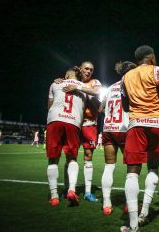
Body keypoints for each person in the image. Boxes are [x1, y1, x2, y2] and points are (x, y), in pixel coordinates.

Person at [120, 45, 159, 232]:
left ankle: (133, 224)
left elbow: (125, 106)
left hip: (136, 123)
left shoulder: (125, 77)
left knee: (132, 172)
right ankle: (144, 213)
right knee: (153, 167)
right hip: (158, 123)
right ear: (152, 57)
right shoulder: (157, 70)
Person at [45, 67, 88, 207]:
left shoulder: (55, 84)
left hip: (55, 120)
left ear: (66, 74)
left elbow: (49, 105)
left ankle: (54, 196)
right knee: (72, 158)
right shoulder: (83, 86)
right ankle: (71, 190)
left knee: (53, 159)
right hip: (73, 122)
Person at [99, 61, 136, 215]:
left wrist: (110, 117)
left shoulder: (110, 87)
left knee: (109, 166)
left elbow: (100, 109)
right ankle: (129, 205)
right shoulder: (131, 84)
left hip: (108, 129)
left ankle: (106, 204)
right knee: (132, 169)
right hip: (125, 129)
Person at [62, 61, 102, 202]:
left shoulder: (94, 82)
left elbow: (96, 92)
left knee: (88, 155)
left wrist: (78, 86)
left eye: (91, 69)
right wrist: (61, 81)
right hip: (74, 123)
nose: (89, 71)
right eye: (86, 68)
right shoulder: (73, 80)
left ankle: (87, 192)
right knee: (70, 155)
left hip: (89, 124)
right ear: (80, 69)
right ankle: (67, 189)